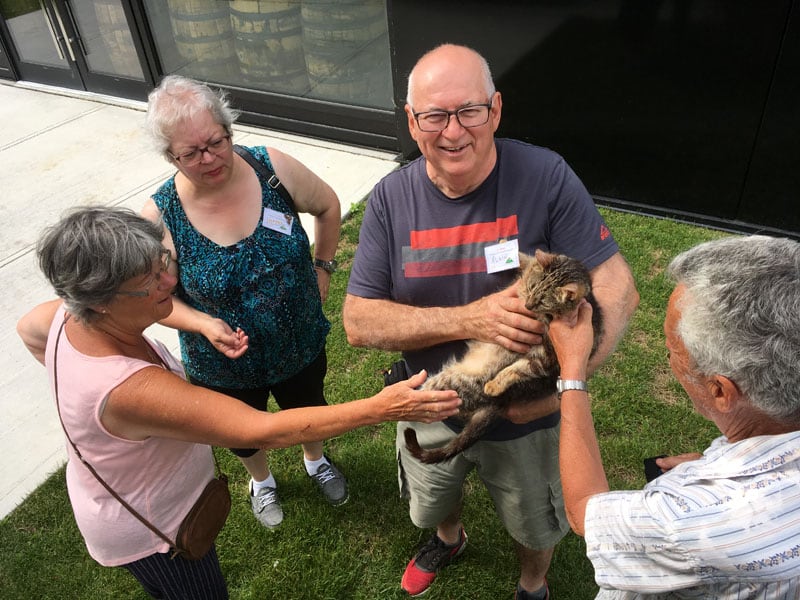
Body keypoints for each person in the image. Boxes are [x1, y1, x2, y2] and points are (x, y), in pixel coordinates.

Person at [16, 206, 461, 600]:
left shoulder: (62, 319)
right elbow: (258, 429)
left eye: (162, 263)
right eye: (149, 281)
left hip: (113, 495)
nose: (170, 280)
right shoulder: (126, 390)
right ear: (103, 302)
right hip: (159, 532)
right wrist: (381, 408)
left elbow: (28, 330)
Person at [342, 44, 639, 598]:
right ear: (412, 121)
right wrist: (472, 318)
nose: (452, 131)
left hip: (527, 413)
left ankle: (533, 581)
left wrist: (559, 391)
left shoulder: (544, 175)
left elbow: (619, 290)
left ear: (496, 110)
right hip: (432, 397)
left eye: (469, 111)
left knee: (535, 518)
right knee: (433, 492)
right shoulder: (390, 199)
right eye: (433, 115)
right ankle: (450, 538)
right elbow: (359, 322)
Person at [141, 75, 345, 529]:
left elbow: (328, 205)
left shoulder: (271, 169)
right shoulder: (160, 219)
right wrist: (201, 324)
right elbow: (154, 301)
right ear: (170, 156)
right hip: (223, 363)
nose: (209, 158)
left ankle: (316, 460)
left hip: (299, 340)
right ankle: (262, 480)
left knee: (309, 405)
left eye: (216, 142)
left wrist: (323, 269)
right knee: (241, 431)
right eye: (191, 153)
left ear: (229, 128)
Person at [549, 234, 800, 598]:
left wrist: (572, 367)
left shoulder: (689, 521)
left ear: (720, 391)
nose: (669, 362)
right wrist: (711, 467)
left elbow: (584, 511)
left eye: (672, 351)